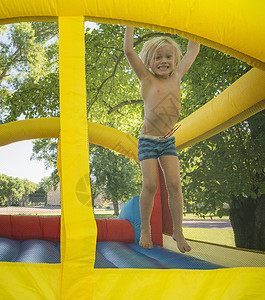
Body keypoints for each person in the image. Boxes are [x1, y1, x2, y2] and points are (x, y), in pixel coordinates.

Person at [124, 26, 200, 253]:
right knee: (150, 185)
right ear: (149, 61)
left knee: (175, 185)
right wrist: (129, 24)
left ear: (175, 60)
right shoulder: (146, 78)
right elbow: (129, 51)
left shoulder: (177, 76)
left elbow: (193, 48)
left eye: (168, 56)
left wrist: (190, 22)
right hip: (147, 140)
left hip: (167, 141)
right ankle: (145, 228)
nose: (164, 60)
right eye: (158, 57)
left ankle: (178, 230)